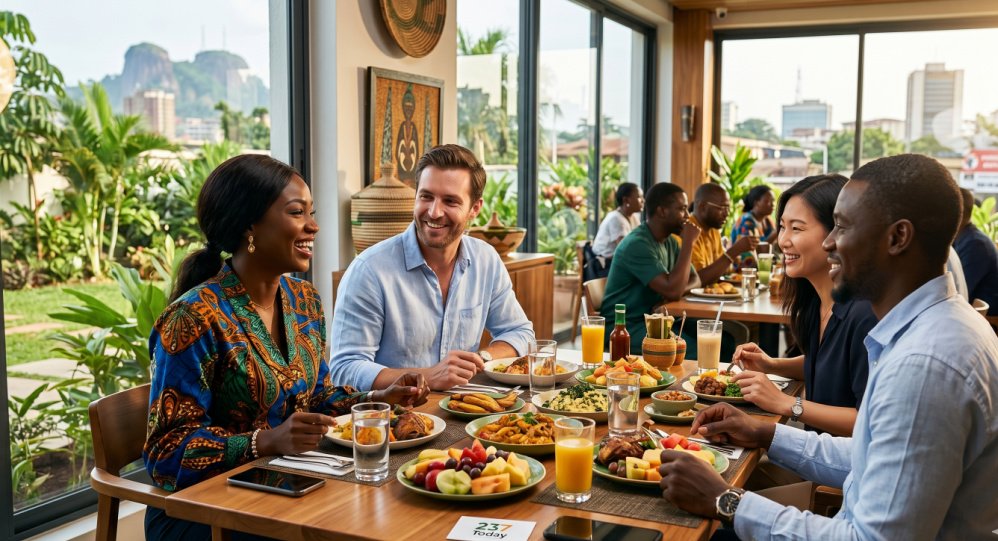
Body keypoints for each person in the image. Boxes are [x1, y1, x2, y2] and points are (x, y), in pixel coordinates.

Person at [658, 154, 998, 539]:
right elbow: (867, 457)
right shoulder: (929, 328)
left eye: (842, 226)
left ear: (897, 238)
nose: (831, 242)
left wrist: (726, 501)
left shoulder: (924, 366)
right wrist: (764, 433)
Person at [143, 155, 430, 540]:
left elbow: (318, 396)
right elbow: (166, 451)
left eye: (312, 213)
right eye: (297, 213)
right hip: (203, 511)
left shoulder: (303, 301)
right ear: (250, 227)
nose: (314, 226)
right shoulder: (193, 318)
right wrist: (265, 441)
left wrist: (379, 398)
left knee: (400, 513)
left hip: (287, 485)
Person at [330, 145, 534, 391]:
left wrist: (480, 359)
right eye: (426, 196)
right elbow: (344, 370)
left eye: (450, 201)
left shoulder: (486, 260)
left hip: (463, 411)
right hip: (394, 419)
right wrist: (426, 376)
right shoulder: (369, 270)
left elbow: (520, 332)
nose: (434, 212)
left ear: (475, 209)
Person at [731, 174, 877, 437]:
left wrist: (787, 403)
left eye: (797, 228)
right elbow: (827, 364)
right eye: (783, 227)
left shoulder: (863, 313)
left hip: (840, 471)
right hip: (814, 454)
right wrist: (772, 365)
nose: (783, 240)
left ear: (837, 233)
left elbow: (867, 421)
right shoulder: (816, 301)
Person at [599, 182, 700, 353]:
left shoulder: (668, 241)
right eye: (682, 209)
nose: (687, 216)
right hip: (624, 326)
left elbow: (695, 279)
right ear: (662, 211)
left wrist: (668, 296)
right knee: (694, 348)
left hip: (656, 320)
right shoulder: (638, 244)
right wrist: (688, 243)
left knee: (722, 338)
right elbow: (673, 290)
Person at [689, 182, 758, 285]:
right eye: (722, 208)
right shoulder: (687, 231)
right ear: (703, 206)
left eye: (728, 208)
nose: (727, 213)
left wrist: (743, 265)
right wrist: (735, 250)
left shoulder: (713, 230)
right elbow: (698, 280)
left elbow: (721, 270)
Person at [954, 188, 998, 315]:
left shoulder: (976, 244)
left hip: (985, 317)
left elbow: (961, 292)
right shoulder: (965, 238)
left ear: (959, 213)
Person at [591, 182, 644, 271]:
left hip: (618, 263)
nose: (643, 200)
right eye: (639, 197)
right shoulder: (616, 219)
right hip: (604, 267)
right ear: (626, 200)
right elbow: (625, 250)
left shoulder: (633, 217)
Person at [730, 184, 776, 266]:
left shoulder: (768, 220)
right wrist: (775, 233)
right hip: (742, 269)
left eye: (773, 201)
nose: (772, 204)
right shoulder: (747, 221)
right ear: (756, 203)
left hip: (762, 266)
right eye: (767, 201)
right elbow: (752, 252)